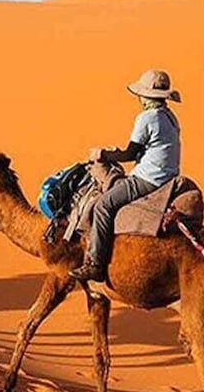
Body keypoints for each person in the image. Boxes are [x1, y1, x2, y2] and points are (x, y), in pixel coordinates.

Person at [70, 69, 182, 283]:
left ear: (146, 96)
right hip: (168, 175)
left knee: (103, 205)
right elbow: (153, 146)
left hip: (149, 178)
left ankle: (95, 264)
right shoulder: (169, 116)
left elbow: (130, 154)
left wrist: (103, 154)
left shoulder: (146, 118)